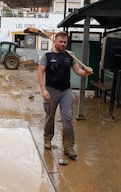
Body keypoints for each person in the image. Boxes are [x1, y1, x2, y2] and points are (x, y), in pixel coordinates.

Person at [37, 32, 93, 160]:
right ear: (55, 42)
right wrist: (43, 90)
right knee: (50, 116)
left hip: (66, 91)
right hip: (51, 90)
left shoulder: (69, 56)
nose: (63, 44)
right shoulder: (47, 56)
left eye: (65, 42)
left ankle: (68, 147)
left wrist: (86, 72)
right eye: (61, 41)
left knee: (67, 118)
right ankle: (47, 139)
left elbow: (78, 71)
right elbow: (40, 73)